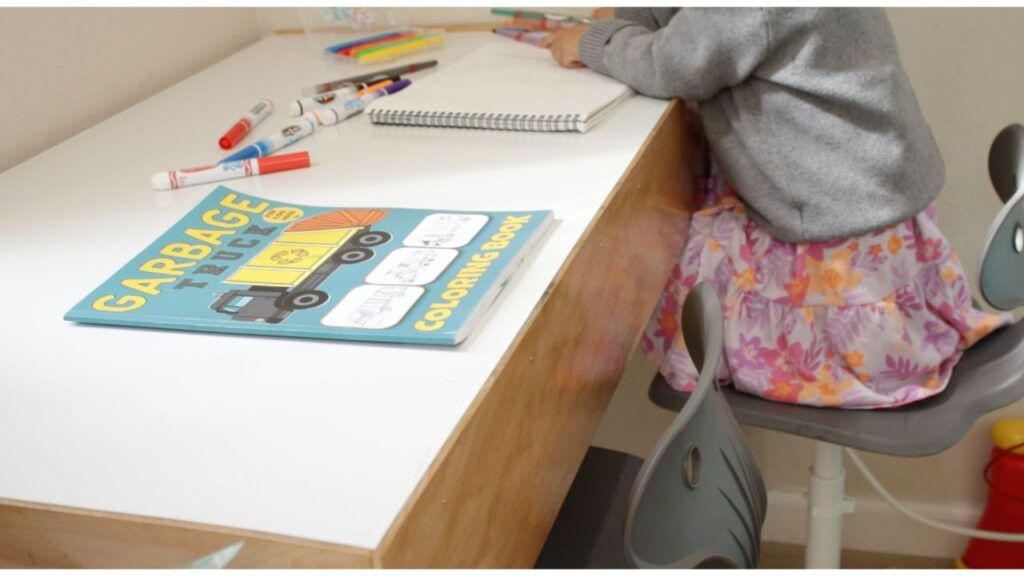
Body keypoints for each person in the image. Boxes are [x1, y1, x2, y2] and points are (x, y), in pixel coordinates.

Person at [540, 8, 1011, 408]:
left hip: (835, 260)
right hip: (884, 236)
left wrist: (596, 42)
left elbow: (676, 65)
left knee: (646, 251)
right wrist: (628, 19)